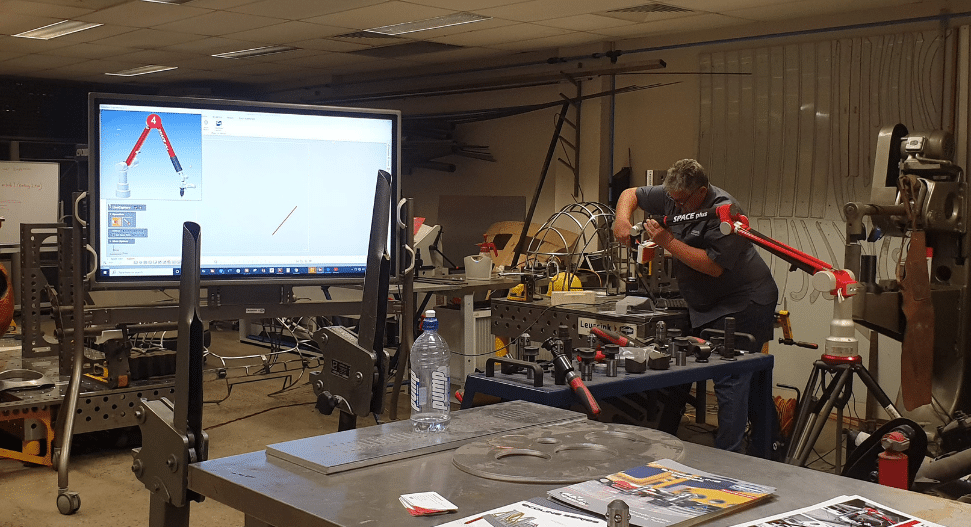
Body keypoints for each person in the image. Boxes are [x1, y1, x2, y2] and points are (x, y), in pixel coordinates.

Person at [612, 159, 778, 453]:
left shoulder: (725, 210)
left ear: (701, 191)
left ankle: (729, 459)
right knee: (743, 380)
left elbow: (713, 267)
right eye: (672, 199)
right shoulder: (675, 194)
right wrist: (621, 220)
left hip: (744, 300)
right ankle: (767, 445)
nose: (675, 206)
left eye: (682, 202)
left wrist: (667, 242)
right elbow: (630, 194)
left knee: (731, 378)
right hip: (707, 303)